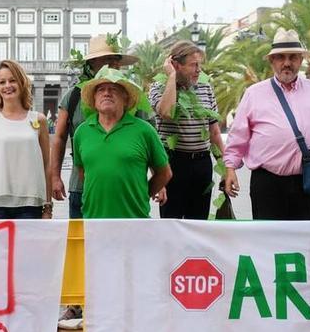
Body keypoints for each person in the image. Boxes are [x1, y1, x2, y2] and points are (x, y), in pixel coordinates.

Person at [223, 29, 310, 220]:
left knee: (307, 240)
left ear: (301, 61)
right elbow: (238, 135)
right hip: (267, 183)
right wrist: (230, 169)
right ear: (272, 61)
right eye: (280, 57)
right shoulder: (254, 93)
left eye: (293, 57)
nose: (287, 63)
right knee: (267, 241)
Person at [50, 34, 139, 218]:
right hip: (81, 187)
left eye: (116, 60)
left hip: (125, 188)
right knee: (83, 243)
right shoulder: (73, 96)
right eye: (108, 59)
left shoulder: (132, 95)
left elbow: (147, 135)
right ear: (92, 63)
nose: (114, 64)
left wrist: (158, 184)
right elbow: (59, 138)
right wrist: (55, 177)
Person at [73, 66, 171, 218]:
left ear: (125, 98)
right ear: (94, 98)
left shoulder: (144, 130)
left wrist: (142, 195)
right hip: (92, 221)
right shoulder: (82, 132)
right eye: (101, 89)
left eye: (113, 89)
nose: (106, 93)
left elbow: (164, 173)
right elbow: (83, 173)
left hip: (134, 221)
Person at [150, 40, 224, 219]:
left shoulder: (206, 88)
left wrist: (226, 168)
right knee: (172, 225)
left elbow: (214, 132)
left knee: (199, 225)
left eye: (199, 65)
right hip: (173, 164)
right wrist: (171, 77)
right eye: (193, 65)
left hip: (202, 164)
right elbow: (167, 112)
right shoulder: (158, 88)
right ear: (175, 65)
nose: (199, 70)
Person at [0, 60, 52, 219]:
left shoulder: (39, 120)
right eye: (2, 82)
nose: (7, 86)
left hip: (30, 205)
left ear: (21, 82)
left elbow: (47, 165)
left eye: (12, 80)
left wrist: (48, 206)